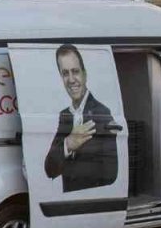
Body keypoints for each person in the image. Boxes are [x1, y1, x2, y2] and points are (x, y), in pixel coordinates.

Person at [42, 44, 119, 193]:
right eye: (65, 73)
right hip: (68, 202)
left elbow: (110, 175)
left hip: (90, 202)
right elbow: (49, 169)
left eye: (75, 71)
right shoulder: (65, 115)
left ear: (85, 74)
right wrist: (68, 144)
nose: (71, 79)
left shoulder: (102, 113)